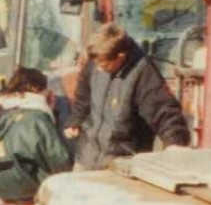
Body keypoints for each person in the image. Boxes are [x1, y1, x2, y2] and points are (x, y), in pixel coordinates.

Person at [66, 22, 192, 170]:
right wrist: (75, 121)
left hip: (121, 164)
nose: (98, 69)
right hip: (86, 157)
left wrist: (175, 143)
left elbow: (164, 111)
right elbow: (83, 97)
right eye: (96, 64)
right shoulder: (96, 59)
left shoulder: (143, 72)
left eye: (104, 66)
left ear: (121, 56)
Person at [0, 68, 72, 202]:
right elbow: (59, 160)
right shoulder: (38, 118)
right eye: (45, 88)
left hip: (2, 187)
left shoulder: (6, 114)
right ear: (36, 88)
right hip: (31, 189)